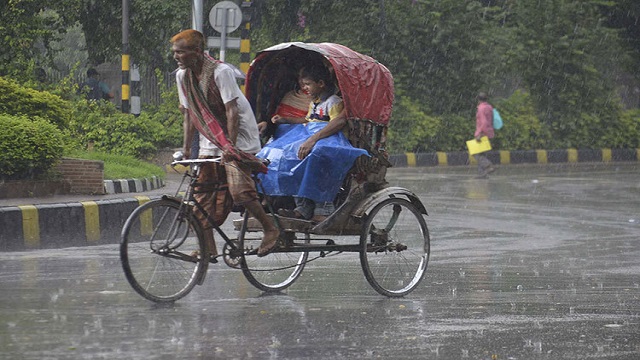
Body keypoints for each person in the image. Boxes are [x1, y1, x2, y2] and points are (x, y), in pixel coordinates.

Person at [171, 29, 280, 257]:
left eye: (181, 52)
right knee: (201, 195)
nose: (176, 57)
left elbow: (232, 111)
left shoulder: (221, 72)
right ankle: (208, 247)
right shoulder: (182, 76)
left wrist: (230, 146)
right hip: (209, 138)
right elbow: (190, 114)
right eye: (175, 53)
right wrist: (184, 150)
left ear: (197, 52)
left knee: (240, 191)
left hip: (239, 136)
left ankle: (270, 229)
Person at [257, 64, 368, 222]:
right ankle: (302, 206)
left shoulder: (334, 102)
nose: (305, 88)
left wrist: (313, 140)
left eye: (308, 84)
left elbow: (337, 122)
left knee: (316, 156)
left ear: (321, 84)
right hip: (310, 133)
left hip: (328, 138)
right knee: (287, 156)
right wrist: (286, 120)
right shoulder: (314, 103)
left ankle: (323, 207)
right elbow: (308, 120)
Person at [474, 92, 496, 178]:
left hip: (482, 133)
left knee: (476, 153)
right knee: (482, 153)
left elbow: (483, 122)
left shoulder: (481, 108)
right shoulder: (489, 107)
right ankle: (482, 174)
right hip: (489, 132)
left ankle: (488, 166)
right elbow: (491, 120)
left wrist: (480, 134)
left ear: (479, 100)